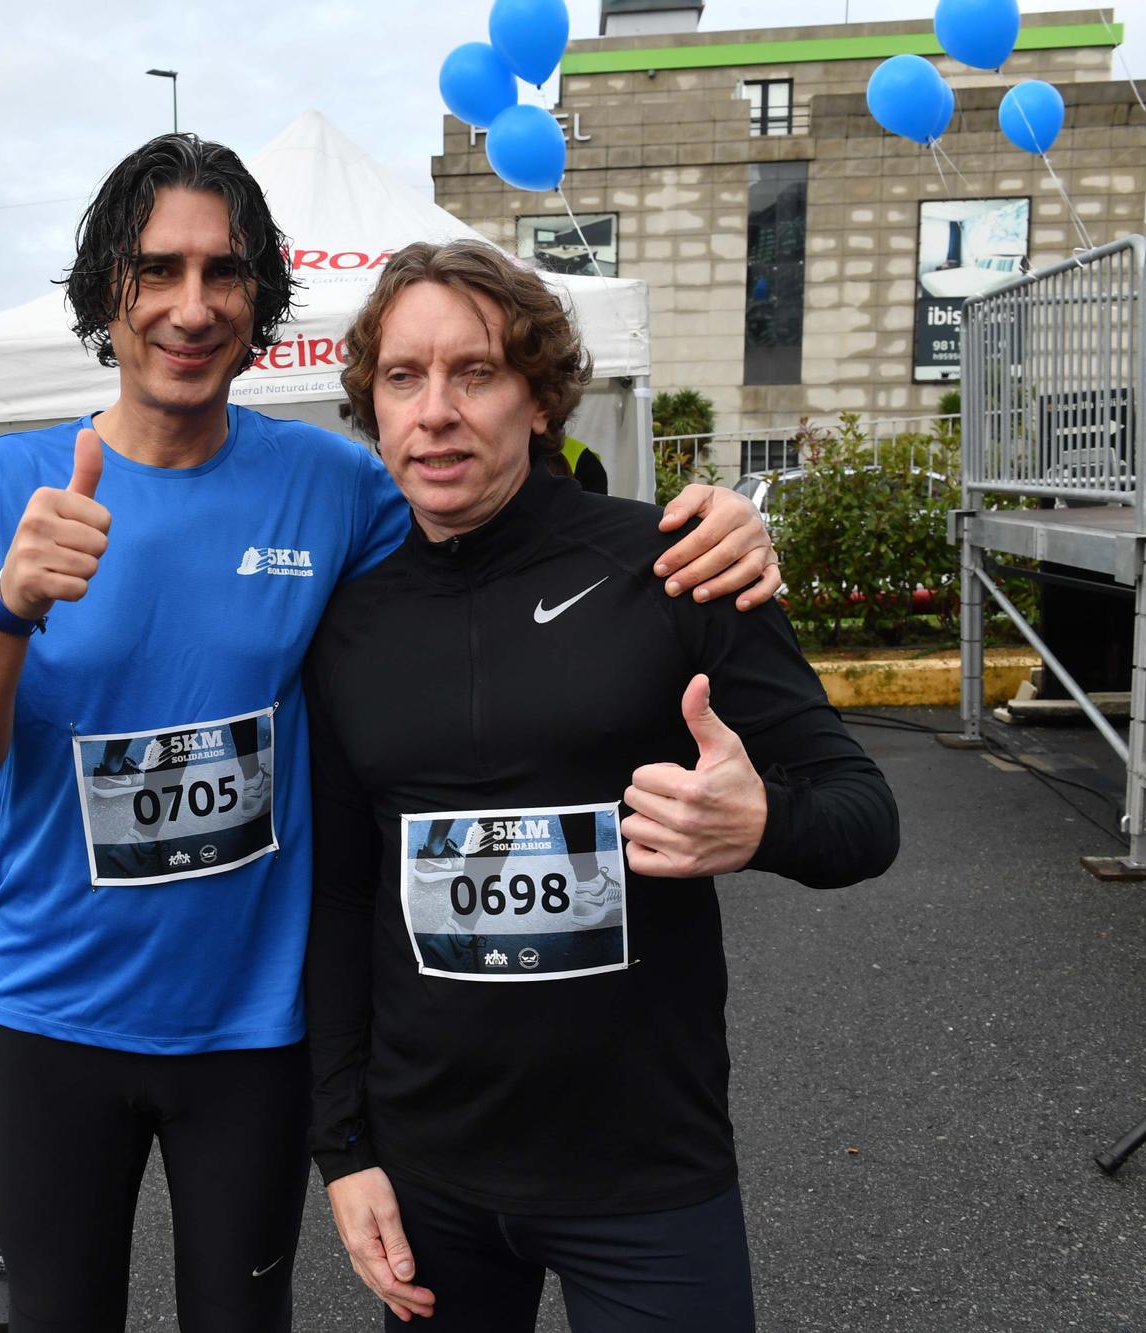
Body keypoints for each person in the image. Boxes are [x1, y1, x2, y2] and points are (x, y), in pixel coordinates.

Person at [0, 133, 781, 1333]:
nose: (190, 305)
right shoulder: (3, 487)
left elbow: (486, 547)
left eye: (224, 273)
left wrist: (709, 525)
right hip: (52, 1017)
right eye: (156, 270)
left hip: (254, 1028)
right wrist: (9, 607)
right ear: (106, 285)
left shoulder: (335, 485)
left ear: (262, 296)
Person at [302, 240, 902, 1332]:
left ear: (537, 396)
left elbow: (862, 812)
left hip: (642, 1170)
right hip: (429, 1171)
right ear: (373, 407)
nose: (434, 411)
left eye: (473, 372)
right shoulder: (347, 624)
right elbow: (342, 897)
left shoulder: (671, 566)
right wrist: (340, 1149)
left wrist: (761, 821)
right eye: (402, 377)